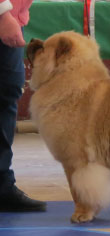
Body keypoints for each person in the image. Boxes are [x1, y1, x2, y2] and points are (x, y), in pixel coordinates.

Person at [0, 0, 46, 211]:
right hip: (6, 17)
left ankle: (2, 186)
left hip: (14, 17)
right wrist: (2, 14)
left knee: (7, 94)